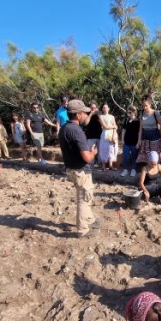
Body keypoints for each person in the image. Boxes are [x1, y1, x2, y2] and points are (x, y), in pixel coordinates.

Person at [59, 99, 99, 238]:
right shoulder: (77, 131)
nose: (86, 115)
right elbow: (87, 158)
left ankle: (90, 219)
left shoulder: (64, 128)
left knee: (86, 196)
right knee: (84, 199)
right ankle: (82, 230)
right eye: (84, 112)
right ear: (78, 114)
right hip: (80, 171)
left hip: (71, 169)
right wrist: (93, 153)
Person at [136, 95, 161, 165]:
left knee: (156, 154)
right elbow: (140, 129)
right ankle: (149, 172)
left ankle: (157, 171)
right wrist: (139, 140)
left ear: (150, 104)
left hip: (155, 136)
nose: (144, 107)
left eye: (146, 105)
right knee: (147, 156)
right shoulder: (141, 113)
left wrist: (159, 134)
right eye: (143, 106)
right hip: (145, 137)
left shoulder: (155, 113)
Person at [98, 103, 119, 171]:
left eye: (106, 107)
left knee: (111, 149)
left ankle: (110, 165)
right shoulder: (101, 116)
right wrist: (113, 126)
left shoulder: (112, 116)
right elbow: (105, 127)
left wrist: (114, 134)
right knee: (104, 149)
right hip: (105, 134)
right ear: (102, 109)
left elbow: (116, 127)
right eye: (104, 107)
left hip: (112, 133)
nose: (105, 109)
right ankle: (103, 166)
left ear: (109, 108)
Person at [120, 105, 140, 177]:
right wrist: (122, 139)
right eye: (128, 112)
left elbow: (139, 132)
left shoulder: (138, 121)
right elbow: (123, 130)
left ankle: (133, 169)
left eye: (130, 112)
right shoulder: (126, 120)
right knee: (126, 156)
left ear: (134, 112)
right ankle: (125, 169)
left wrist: (138, 142)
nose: (129, 113)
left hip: (135, 142)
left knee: (134, 156)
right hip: (126, 141)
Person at [84, 100, 102, 166]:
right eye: (92, 108)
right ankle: (91, 164)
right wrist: (91, 114)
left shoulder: (99, 113)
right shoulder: (87, 113)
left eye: (94, 108)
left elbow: (103, 123)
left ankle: (99, 163)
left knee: (100, 151)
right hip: (90, 135)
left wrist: (97, 114)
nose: (93, 109)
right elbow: (86, 123)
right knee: (89, 150)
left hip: (99, 135)